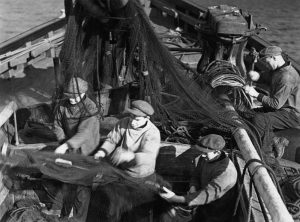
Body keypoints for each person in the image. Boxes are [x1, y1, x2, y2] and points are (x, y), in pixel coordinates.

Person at [94, 100, 162, 221]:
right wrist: (102, 151)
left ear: (147, 118)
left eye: (137, 119)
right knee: (115, 208)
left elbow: (149, 155)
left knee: (139, 213)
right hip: (123, 174)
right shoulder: (123, 123)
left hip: (142, 177)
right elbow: (111, 140)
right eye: (132, 117)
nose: (133, 121)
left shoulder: (152, 132)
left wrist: (130, 156)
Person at [159, 134, 237, 222]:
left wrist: (175, 198)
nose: (202, 155)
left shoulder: (226, 172)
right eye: (201, 152)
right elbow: (196, 174)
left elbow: (206, 195)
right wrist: (193, 187)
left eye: (205, 153)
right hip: (201, 202)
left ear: (217, 152)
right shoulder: (206, 158)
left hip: (217, 208)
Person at [53, 77, 100, 221]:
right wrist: (63, 141)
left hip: (87, 152)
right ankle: (64, 216)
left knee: (82, 192)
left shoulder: (90, 108)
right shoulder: (61, 105)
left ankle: (79, 219)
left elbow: (84, 133)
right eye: (69, 96)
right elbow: (57, 125)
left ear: (83, 94)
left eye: (75, 96)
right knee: (68, 187)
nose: (71, 99)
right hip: (69, 151)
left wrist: (66, 146)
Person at [244, 46, 300, 158]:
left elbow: (275, 104)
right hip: (279, 109)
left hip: (291, 114)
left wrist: (256, 94)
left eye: (266, 61)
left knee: (260, 120)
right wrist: (257, 76)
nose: (265, 65)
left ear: (274, 58)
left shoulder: (287, 77)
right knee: (248, 113)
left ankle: (265, 153)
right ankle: (272, 138)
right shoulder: (278, 70)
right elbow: (266, 76)